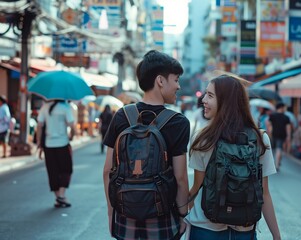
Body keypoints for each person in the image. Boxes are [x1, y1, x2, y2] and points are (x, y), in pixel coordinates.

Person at [103, 50, 190, 240]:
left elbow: (108, 171)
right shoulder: (178, 122)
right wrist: (184, 214)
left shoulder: (122, 116)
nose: (178, 86)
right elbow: (181, 178)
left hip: (125, 217)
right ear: (160, 81)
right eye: (175, 80)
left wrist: (112, 213)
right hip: (163, 219)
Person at [185, 74, 281, 240]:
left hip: (205, 229)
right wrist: (276, 236)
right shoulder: (259, 138)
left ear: (225, 101)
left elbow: (196, 188)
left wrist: (182, 214)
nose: (203, 101)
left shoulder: (203, 139)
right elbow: (264, 193)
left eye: (210, 95)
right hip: (243, 230)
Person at [37, 100, 76, 208]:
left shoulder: (44, 107)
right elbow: (72, 125)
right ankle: (62, 195)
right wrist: (72, 136)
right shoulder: (65, 107)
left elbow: (39, 126)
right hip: (62, 143)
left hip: (48, 145)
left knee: (52, 171)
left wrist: (39, 142)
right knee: (66, 169)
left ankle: (58, 197)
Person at [266, 102, 291, 171]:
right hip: (282, 135)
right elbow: (288, 128)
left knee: (272, 149)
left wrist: (269, 132)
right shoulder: (286, 117)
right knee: (279, 149)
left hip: (273, 134)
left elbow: (268, 124)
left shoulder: (272, 115)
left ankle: (273, 163)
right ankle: (277, 164)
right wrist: (288, 136)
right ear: (282, 107)